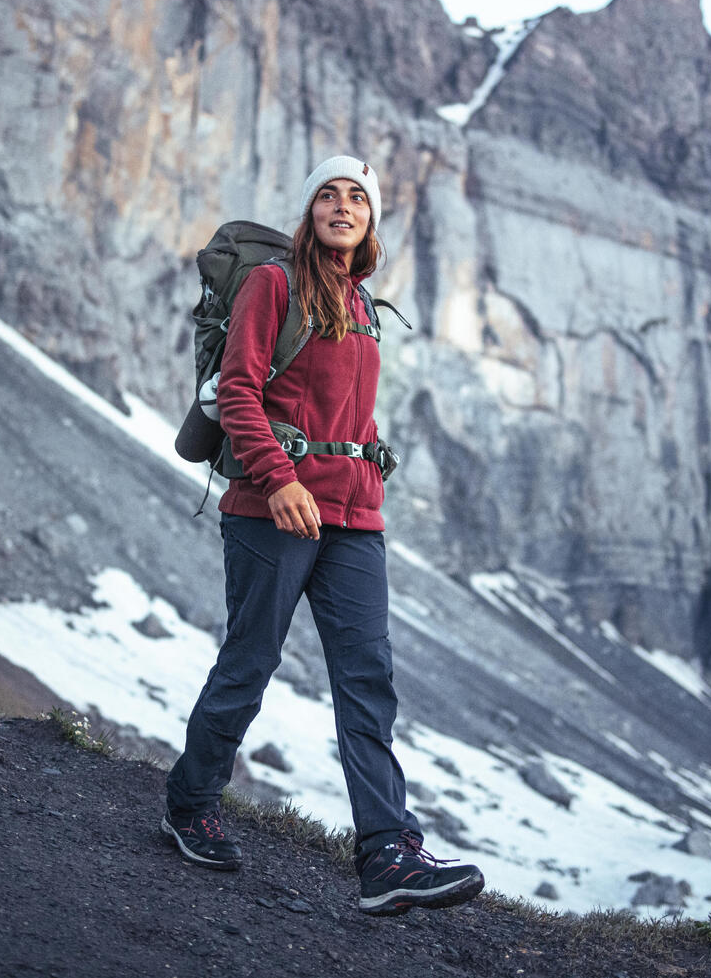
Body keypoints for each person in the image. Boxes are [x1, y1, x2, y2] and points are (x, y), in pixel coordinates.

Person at [161, 155, 485, 916]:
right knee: (249, 661)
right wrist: (279, 479)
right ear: (309, 213)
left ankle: (387, 854)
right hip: (270, 506)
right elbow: (238, 389)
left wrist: (364, 476)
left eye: (359, 199)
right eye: (329, 195)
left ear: (371, 221)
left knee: (367, 679)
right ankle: (191, 800)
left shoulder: (365, 302)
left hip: (354, 518)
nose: (344, 206)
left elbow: (351, 417)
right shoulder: (273, 284)